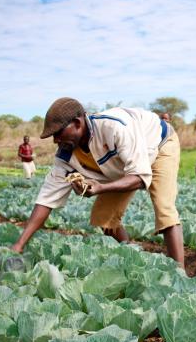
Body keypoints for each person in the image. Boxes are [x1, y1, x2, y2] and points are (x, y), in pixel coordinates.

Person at [11, 98, 185, 268]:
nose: (56, 140)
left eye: (58, 133)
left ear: (78, 123)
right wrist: (19, 245)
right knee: (103, 217)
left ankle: (179, 273)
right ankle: (134, 257)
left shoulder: (113, 127)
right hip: (125, 163)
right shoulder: (66, 154)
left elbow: (139, 177)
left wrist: (101, 187)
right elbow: (45, 201)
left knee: (164, 208)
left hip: (160, 144)